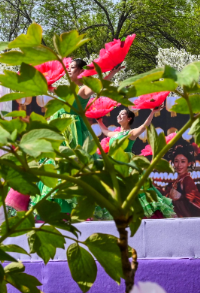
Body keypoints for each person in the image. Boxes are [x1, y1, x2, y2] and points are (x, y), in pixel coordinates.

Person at [30, 59, 123, 215]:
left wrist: (111, 73)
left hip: (72, 131)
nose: (68, 70)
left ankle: (71, 206)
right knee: (54, 162)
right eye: (68, 67)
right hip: (58, 128)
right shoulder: (67, 89)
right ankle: (53, 204)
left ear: (81, 71)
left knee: (70, 164)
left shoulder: (83, 89)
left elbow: (99, 85)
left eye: (72, 67)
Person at [96, 107, 175, 218]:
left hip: (127, 164)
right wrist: (99, 121)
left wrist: (152, 112)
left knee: (134, 188)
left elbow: (144, 126)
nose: (119, 116)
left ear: (129, 118)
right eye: (118, 114)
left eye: (122, 114)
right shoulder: (115, 134)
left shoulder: (131, 133)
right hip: (114, 164)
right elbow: (105, 131)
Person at [163, 140, 200, 218]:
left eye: (183, 161)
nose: (179, 165)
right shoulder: (177, 181)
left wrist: (190, 199)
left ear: (189, 163)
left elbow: (192, 202)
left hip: (183, 217)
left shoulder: (187, 180)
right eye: (176, 161)